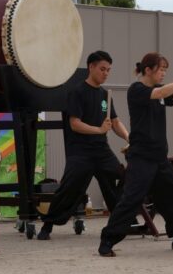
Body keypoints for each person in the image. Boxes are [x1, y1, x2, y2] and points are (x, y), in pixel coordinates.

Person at [97, 52, 173, 257]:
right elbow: (160, 93)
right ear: (148, 70)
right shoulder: (137, 90)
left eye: (165, 70)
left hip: (159, 158)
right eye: (161, 70)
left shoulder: (161, 91)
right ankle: (107, 240)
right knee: (132, 199)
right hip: (141, 157)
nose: (163, 74)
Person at [38, 50, 130, 240]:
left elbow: (115, 122)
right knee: (69, 188)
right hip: (80, 151)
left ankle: (120, 222)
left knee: (120, 177)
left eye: (109, 70)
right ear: (91, 67)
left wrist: (129, 138)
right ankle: (48, 225)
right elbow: (75, 124)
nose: (106, 73)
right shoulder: (77, 92)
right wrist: (98, 130)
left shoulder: (105, 95)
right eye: (102, 69)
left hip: (101, 150)